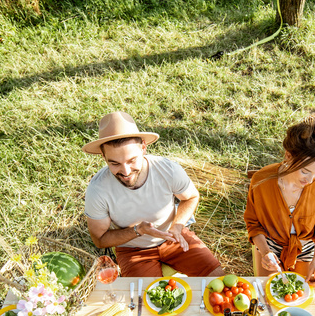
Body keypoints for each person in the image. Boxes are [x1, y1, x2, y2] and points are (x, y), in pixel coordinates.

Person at [83, 111, 224, 278]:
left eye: (132, 160)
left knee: (216, 278)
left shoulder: (168, 169)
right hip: (132, 249)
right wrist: (138, 230)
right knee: (143, 300)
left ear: (143, 148)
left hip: (173, 237)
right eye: (114, 163)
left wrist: (177, 225)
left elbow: (191, 197)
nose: (126, 171)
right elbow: (100, 239)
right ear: (103, 156)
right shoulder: (97, 189)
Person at [244, 114, 315, 280]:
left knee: (310, 290)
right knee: (269, 291)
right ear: (288, 155)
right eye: (305, 171)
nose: (310, 180)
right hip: (270, 243)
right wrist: (266, 253)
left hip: (307, 246)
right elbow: (253, 224)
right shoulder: (261, 181)